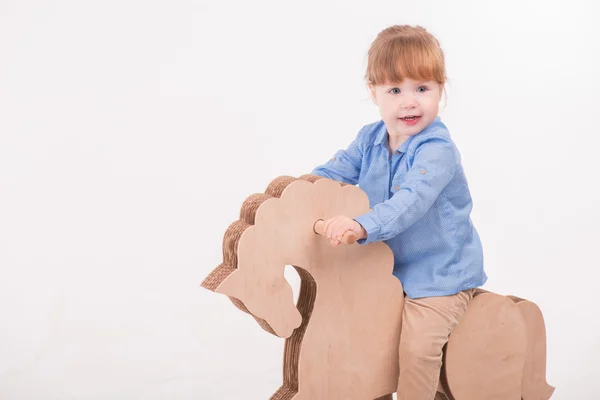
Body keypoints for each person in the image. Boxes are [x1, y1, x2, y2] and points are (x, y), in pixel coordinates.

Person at [311, 25, 487, 400]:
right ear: (373, 91)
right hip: (385, 270)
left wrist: (360, 225)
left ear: (441, 89)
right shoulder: (369, 139)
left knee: (417, 350)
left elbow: (409, 202)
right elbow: (332, 173)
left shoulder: (436, 150)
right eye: (395, 90)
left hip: (438, 275)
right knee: (365, 342)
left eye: (422, 89)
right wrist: (299, 192)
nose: (410, 102)